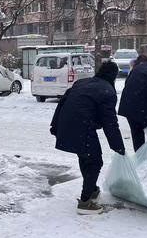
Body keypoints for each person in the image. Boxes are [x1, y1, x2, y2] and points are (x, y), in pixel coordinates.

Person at [50, 61, 125, 215]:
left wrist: (55, 125)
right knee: (95, 161)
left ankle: (91, 189)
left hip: (68, 123)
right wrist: (118, 146)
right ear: (113, 76)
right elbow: (110, 122)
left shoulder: (82, 82)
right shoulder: (107, 91)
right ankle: (85, 202)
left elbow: (63, 102)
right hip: (82, 125)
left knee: (86, 156)